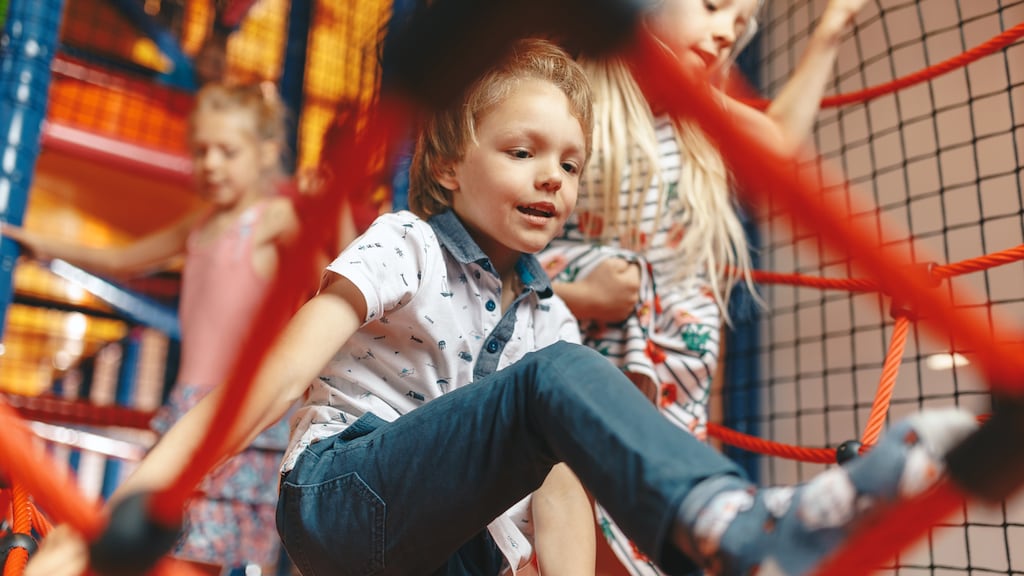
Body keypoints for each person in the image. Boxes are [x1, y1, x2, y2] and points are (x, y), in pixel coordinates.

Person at [24, 38, 976, 576]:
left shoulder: (544, 316)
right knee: (562, 381)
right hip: (339, 497)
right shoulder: (406, 242)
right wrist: (119, 511)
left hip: (444, 545)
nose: (552, 179)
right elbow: (274, 380)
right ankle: (737, 524)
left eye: (569, 163)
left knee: (560, 392)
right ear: (448, 163)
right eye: (522, 152)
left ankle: (731, 535)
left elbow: (547, 505)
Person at [537, 0, 871, 572]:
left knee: (653, 530)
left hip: (671, 390)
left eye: (739, 26)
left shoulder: (700, 114)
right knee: (573, 520)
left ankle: (741, 525)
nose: (725, 33)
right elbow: (494, 255)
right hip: (577, 371)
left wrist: (831, 29)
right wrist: (583, 289)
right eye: (713, 7)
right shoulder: (576, 96)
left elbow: (778, 143)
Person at [5, 82, 303, 576]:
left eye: (227, 152)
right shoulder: (200, 224)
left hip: (237, 409)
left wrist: (333, 209)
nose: (210, 163)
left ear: (267, 153)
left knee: (203, 548)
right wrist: (37, 242)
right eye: (201, 151)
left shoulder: (274, 218)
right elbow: (121, 258)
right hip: (188, 404)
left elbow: (335, 267)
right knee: (162, 534)